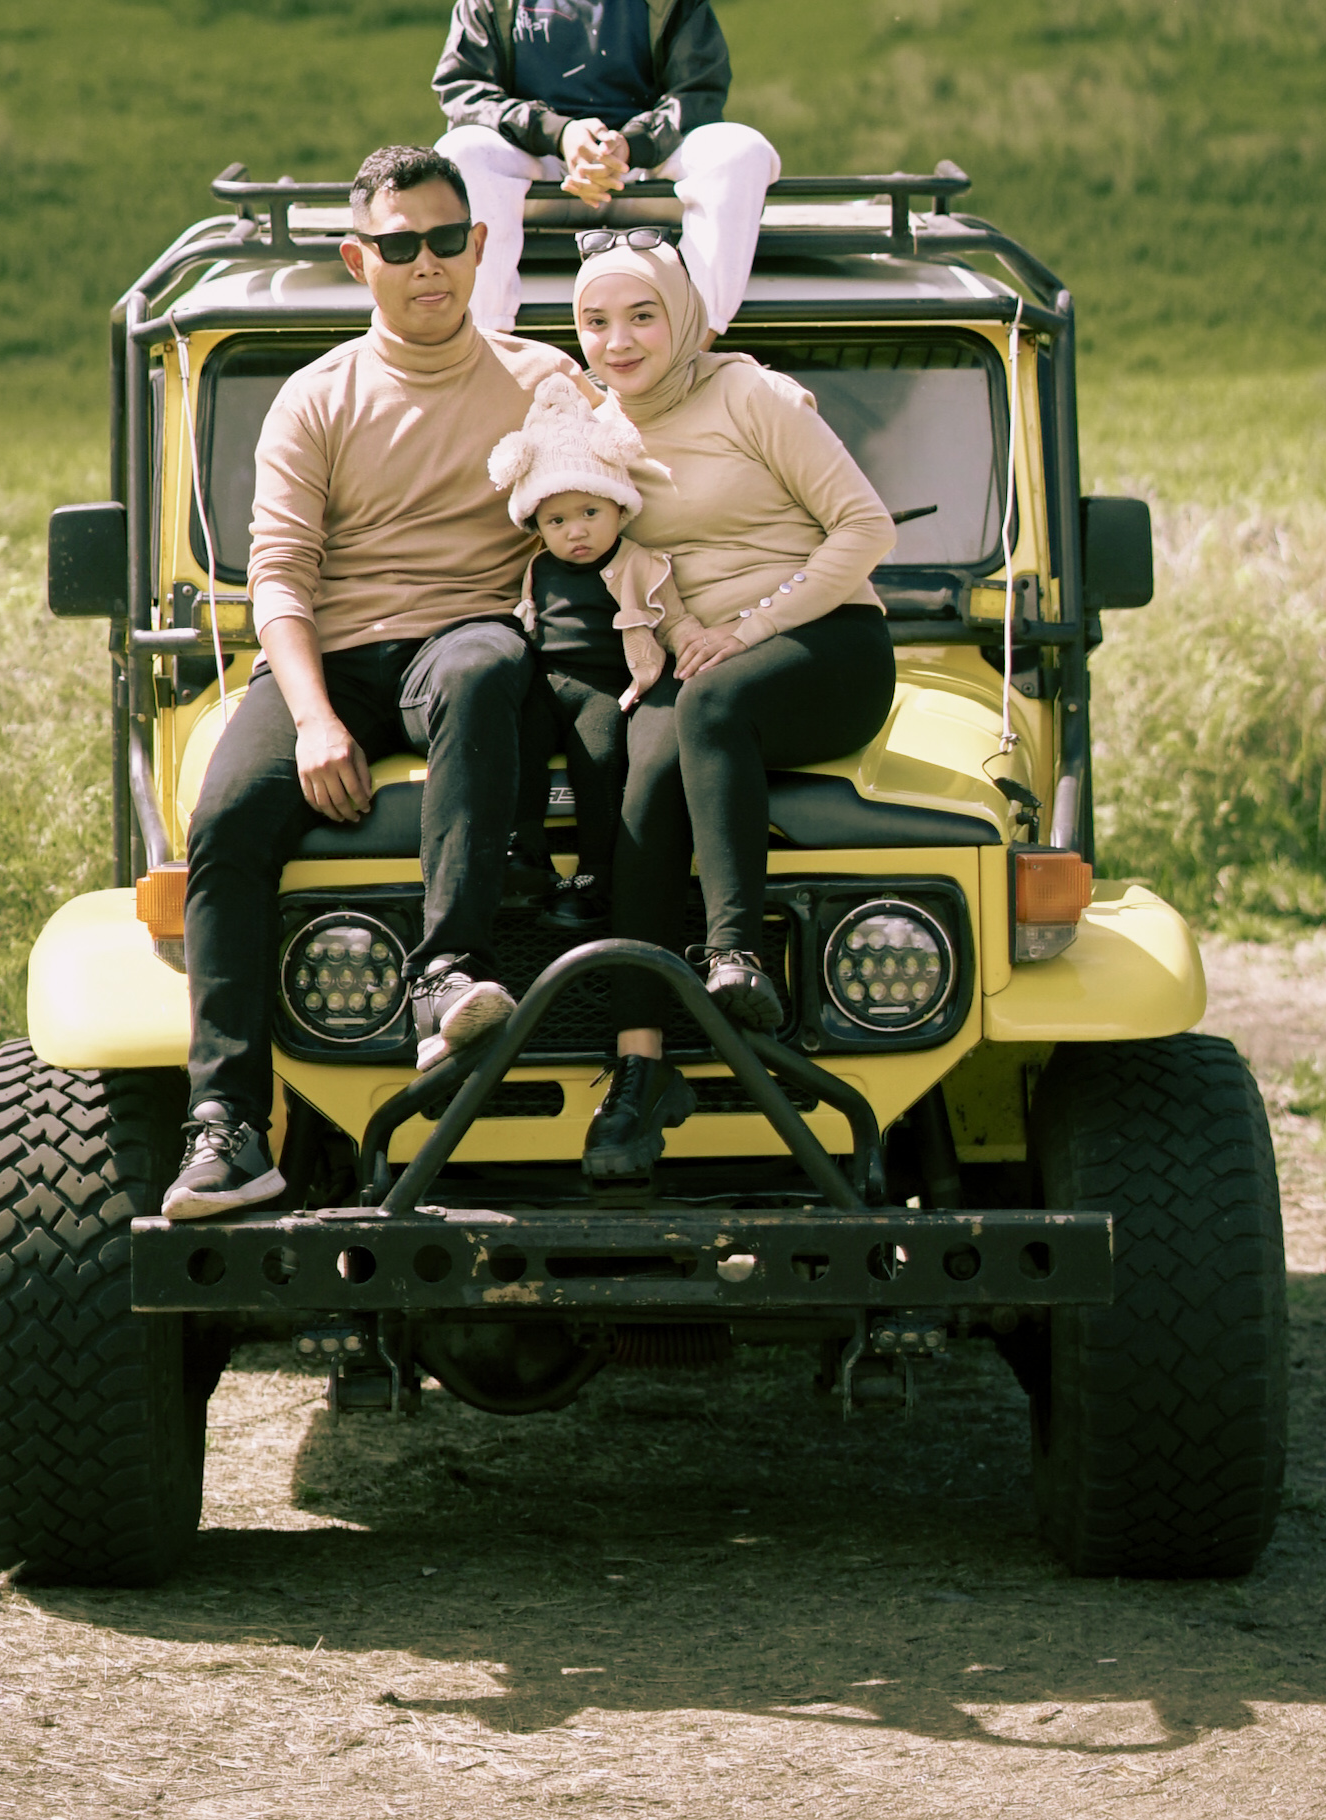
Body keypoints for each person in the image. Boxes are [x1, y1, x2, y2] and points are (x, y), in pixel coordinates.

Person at [162, 143, 578, 1219]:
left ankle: (446, 976)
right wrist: (308, 721)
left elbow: (612, 508)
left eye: (447, 240)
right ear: (361, 259)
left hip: (463, 642)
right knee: (224, 815)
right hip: (334, 659)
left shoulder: (543, 383)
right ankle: (227, 1126)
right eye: (400, 245)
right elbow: (280, 579)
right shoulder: (315, 397)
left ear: (480, 246)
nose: (427, 263)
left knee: (491, 662)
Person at [567, 235, 898, 1185]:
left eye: (642, 316)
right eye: (595, 321)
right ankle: (640, 1068)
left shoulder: (752, 395)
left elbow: (864, 527)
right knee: (640, 782)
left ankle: (736, 956)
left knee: (709, 703)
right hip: (699, 661)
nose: (618, 341)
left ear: (686, 318)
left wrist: (750, 626)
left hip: (823, 640)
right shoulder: (592, 424)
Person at [433, 0, 782, 338]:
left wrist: (627, 145)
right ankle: (491, 341)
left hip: (642, 173)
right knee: (460, 151)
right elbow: (463, 89)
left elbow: (699, 92)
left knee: (744, 149)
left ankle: (697, 339)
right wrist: (561, 134)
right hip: (539, 174)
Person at [486, 369, 687, 937]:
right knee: (517, 747)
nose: (576, 531)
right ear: (537, 529)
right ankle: (522, 850)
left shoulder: (638, 561)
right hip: (546, 682)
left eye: (590, 513)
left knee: (599, 767)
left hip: (606, 686)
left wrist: (691, 642)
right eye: (557, 520)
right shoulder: (538, 568)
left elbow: (671, 615)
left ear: (621, 510)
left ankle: (597, 872)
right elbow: (525, 620)